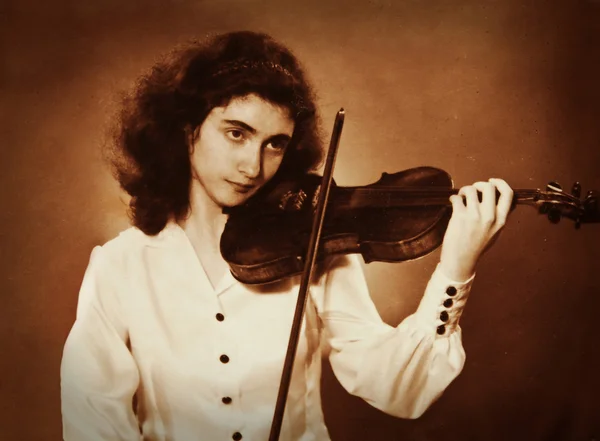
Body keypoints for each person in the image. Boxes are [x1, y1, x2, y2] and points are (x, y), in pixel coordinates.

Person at [60, 30, 513, 441]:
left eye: (274, 143)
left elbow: (394, 386)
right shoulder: (120, 266)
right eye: (236, 133)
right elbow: (93, 421)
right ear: (186, 130)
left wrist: (455, 269)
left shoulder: (312, 245)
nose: (253, 166)